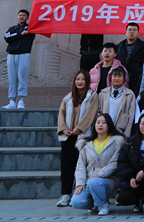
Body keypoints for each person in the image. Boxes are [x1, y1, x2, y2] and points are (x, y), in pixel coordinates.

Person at [56, 70, 98, 207]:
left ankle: (79, 194)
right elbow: (61, 113)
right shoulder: (68, 97)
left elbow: (91, 114)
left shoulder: (92, 96)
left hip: (83, 137)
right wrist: (63, 128)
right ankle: (65, 194)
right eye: (77, 79)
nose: (80, 82)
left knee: (82, 167)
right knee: (66, 167)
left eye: (83, 79)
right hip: (68, 136)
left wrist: (79, 128)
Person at [70, 113, 126, 215]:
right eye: (98, 122)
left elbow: (114, 163)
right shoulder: (86, 144)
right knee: (76, 202)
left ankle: (103, 205)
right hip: (90, 180)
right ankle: (97, 203)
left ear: (109, 125)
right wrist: (80, 183)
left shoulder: (116, 142)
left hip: (109, 179)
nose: (100, 125)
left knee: (94, 182)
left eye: (104, 122)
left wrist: (100, 174)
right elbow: (80, 166)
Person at [3, 9, 35, 110]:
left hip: (24, 55)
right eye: (20, 15)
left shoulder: (31, 28)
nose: (21, 17)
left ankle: (21, 100)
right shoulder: (12, 28)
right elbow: (7, 38)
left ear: (27, 18)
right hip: (11, 55)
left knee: (22, 78)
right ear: (17, 17)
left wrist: (28, 32)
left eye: (24, 15)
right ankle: (12, 101)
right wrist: (20, 34)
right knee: (12, 79)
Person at [97, 66, 136, 136]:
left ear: (124, 78)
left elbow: (131, 117)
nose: (117, 78)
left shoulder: (129, 94)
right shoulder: (103, 93)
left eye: (120, 76)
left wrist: (126, 135)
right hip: (104, 131)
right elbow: (98, 112)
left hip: (120, 131)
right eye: (114, 76)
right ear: (111, 78)